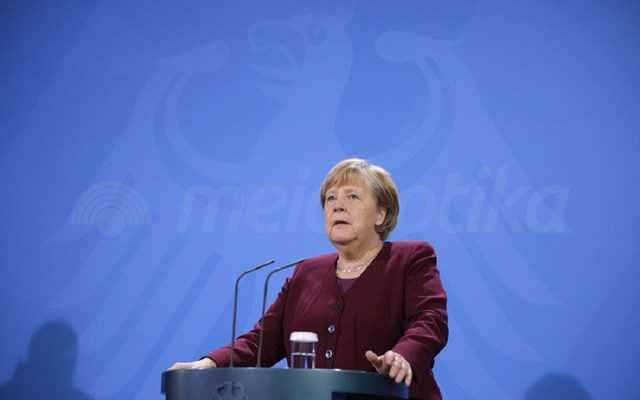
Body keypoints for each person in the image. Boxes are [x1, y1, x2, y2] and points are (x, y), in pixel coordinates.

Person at [169, 158, 448, 400]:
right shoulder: (306, 272)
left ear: (381, 214)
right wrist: (208, 364)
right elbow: (261, 341)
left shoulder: (410, 259)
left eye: (352, 196)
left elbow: (429, 320)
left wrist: (403, 356)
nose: (338, 206)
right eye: (330, 198)